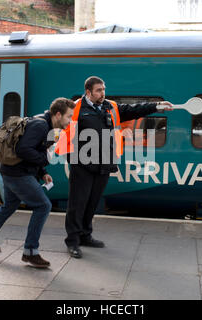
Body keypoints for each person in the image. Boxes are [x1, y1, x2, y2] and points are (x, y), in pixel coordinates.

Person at [56, 76, 175, 258]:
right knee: (77, 204)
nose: (102, 93)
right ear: (88, 92)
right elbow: (61, 128)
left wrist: (156, 105)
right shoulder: (76, 108)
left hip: (104, 164)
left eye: (103, 89)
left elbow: (133, 110)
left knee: (92, 202)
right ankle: (72, 241)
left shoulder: (110, 106)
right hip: (82, 165)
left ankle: (85, 235)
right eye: (98, 90)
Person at [0, 98, 75, 268]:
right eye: (69, 117)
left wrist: (43, 172)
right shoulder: (41, 126)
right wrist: (44, 161)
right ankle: (30, 252)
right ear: (58, 114)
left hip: (10, 171)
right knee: (43, 206)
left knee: (8, 207)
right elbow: (23, 150)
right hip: (18, 174)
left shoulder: (45, 124)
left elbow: (32, 149)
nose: (70, 120)